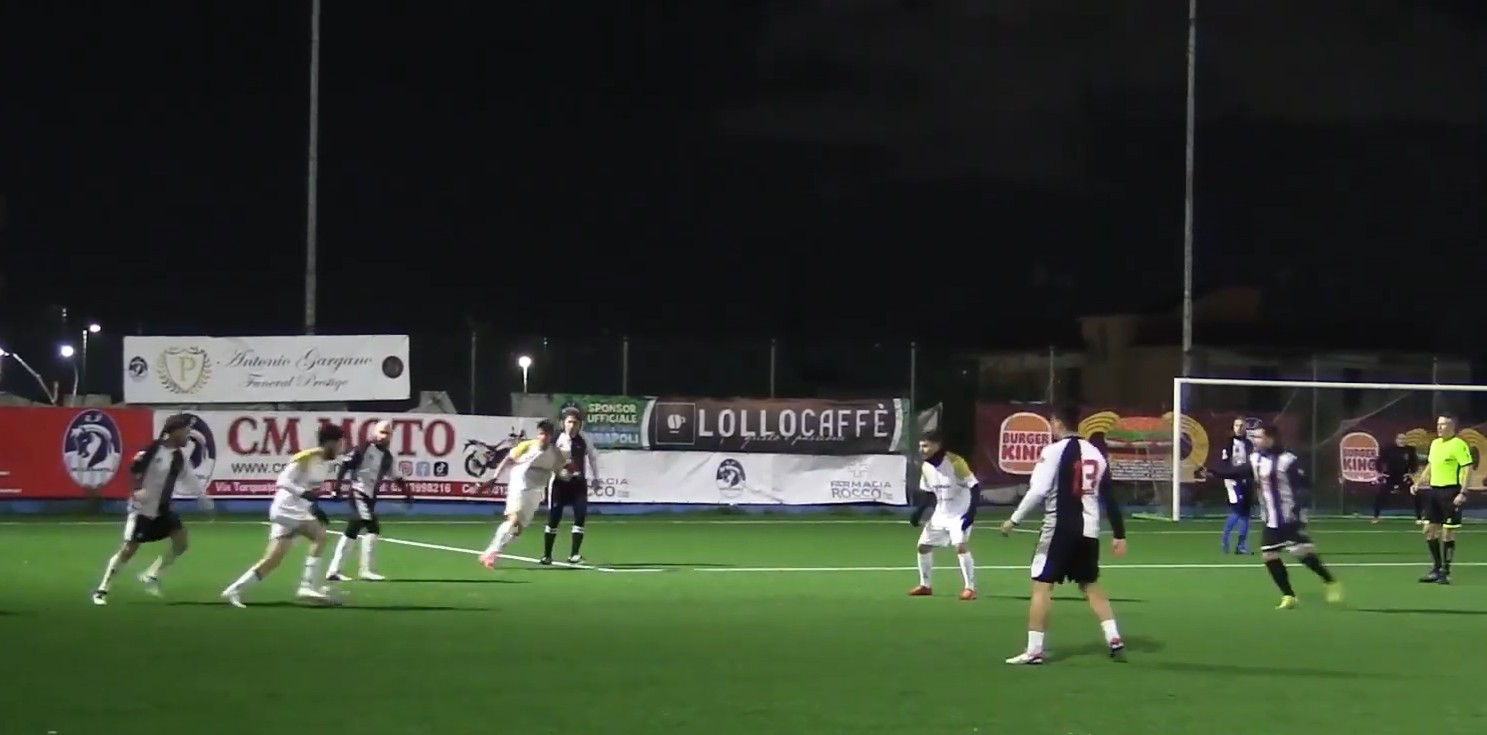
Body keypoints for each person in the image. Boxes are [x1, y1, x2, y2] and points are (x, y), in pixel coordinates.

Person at [999, 406, 1127, 665]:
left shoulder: (1053, 451)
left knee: (1042, 586)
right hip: (1089, 531)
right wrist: (1119, 533)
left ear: (1057, 423)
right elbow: (1109, 496)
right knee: (1090, 584)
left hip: (1059, 528)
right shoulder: (1097, 454)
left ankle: (1034, 650)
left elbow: (1038, 490)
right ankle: (1113, 636)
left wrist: (1014, 520)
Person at [1214, 423, 1342, 609]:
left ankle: (1330, 581)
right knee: (1269, 555)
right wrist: (1211, 471)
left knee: (1301, 554)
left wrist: (1297, 508)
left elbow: (1304, 486)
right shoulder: (1255, 459)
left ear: (1270, 439)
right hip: (1271, 518)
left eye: (1259, 437)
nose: (1255, 440)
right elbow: (1236, 471)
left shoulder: (1287, 461)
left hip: (1290, 516)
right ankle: (1289, 596)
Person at [93, 414, 214, 605]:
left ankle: (151, 574)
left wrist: (203, 498)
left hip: (162, 510)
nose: (188, 435)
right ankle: (102, 589)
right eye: (185, 431)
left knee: (181, 541)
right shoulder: (152, 450)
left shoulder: (179, 457)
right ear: (174, 431)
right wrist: (136, 490)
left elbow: (190, 478)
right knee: (128, 550)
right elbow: (133, 470)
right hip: (142, 510)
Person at [220, 424, 347, 607]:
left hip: (295, 510)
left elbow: (308, 488)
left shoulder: (324, 463)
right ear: (330, 442)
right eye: (340, 443)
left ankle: (235, 590)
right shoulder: (306, 457)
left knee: (273, 559)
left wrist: (314, 507)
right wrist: (303, 493)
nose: (342, 447)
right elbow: (282, 481)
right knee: (320, 535)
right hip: (287, 508)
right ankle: (307, 586)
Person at [326, 420, 414, 581]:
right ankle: (360, 570)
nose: (384, 436)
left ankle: (339, 570)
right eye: (381, 432)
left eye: (387, 433)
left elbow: (397, 477)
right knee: (370, 527)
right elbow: (345, 466)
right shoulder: (364, 448)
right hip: (358, 492)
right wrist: (336, 487)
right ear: (374, 433)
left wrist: (407, 494)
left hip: (370, 497)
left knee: (359, 529)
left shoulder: (387, 457)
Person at [479, 419, 565, 568]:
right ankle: (492, 552)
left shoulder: (555, 453)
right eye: (541, 433)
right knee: (514, 520)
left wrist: (567, 475)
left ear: (551, 436)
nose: (543, 437)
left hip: (536, 491)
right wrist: (494, 478)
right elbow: (508, 459)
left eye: (546, 434)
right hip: (519, 485)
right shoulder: (528, 446)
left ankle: (496, 548)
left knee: (517, 529)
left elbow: (558, 472)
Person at [907, 429, 981, 600]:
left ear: (937, 445)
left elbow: (975, 487)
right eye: (920, 446)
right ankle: (926, 586)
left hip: (959, 513)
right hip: (941, 513)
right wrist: (919, 512)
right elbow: (928, 493)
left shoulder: (955, 462)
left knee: (960, 546)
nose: (921, 450)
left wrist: (970, 514)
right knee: (923, 547)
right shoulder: (926, 466)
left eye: (925, 446)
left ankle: (970, 588)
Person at [1414, 415, 1474, 584]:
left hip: (1451, 492)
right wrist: (1419, 481)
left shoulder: (1459, 445)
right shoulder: (1435, 444)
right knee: (1429, 530)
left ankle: (1445, 572)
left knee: (1448, 532)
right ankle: (1436, 568)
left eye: (1443, 425)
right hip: (1435, 492)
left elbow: (1468, 468)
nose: (1439, 427)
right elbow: (1431, 465)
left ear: (1452, 426)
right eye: (1438, 424)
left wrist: (1463, 493)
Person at [543, 408, 599, 565]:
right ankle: (547, 555)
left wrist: (596, 478)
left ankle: (574, 554)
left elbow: (593, 458)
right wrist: (557, 470)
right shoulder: (556, 438)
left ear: (580, 424)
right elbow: (547, 458)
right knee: (554, 518)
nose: (572, 425)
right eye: (569, 422)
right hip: (559, 484)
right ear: (563, 423)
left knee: (580, 517)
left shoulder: (584, 439)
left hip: (578, 483)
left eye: (575, 422)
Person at [1219, 418, 1255, 554]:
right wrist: (1232, 475)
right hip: (1233, 482)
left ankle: (1236, 543)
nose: (1239, 428)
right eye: (1236, 425)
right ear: (1233, 427)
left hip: (1246, 480)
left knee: (1243, 512)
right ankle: (1232, 542)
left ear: (1245, 428)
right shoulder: (1229, 444)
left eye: (1241, 425)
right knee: (1241, 512)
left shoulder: (1248, 443)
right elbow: (1225, 464)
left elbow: (1251, 462)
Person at [1372, 433, 1420, 525]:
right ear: (1396, 440)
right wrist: (1380, 472)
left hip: (1403, 476)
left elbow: (1414, 463)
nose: (1402, 441)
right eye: (1400, 438)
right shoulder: (1389, 449)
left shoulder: (1410, 450)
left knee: (1415, 493)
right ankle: (1376, 516)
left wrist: (1411, 473)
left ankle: (1419, 517)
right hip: (1390, 476)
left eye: (1404, 439)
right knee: (1380, 494)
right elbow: (1379, 460)